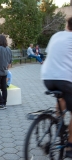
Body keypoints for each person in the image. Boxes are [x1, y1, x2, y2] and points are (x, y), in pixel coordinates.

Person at [41, 16, 72, 158]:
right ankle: (69, 148)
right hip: (65, 79)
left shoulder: (56, 35)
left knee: (63, 96)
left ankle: (57, 119)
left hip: (47, 76)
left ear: (67, 25)